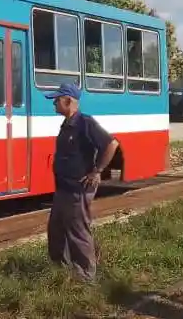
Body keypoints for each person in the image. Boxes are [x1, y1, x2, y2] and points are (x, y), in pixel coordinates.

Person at [45, 82, 119, 282]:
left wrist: (97, 171)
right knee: (56, 230)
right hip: (63, 189)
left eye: (57, 100)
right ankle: (62, 271)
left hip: (78, 189)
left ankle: (86, 277)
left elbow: (111, 143)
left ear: (68, 101)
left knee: (78, 232)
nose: (54, 104)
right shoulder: (67, 124)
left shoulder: (85, 123)